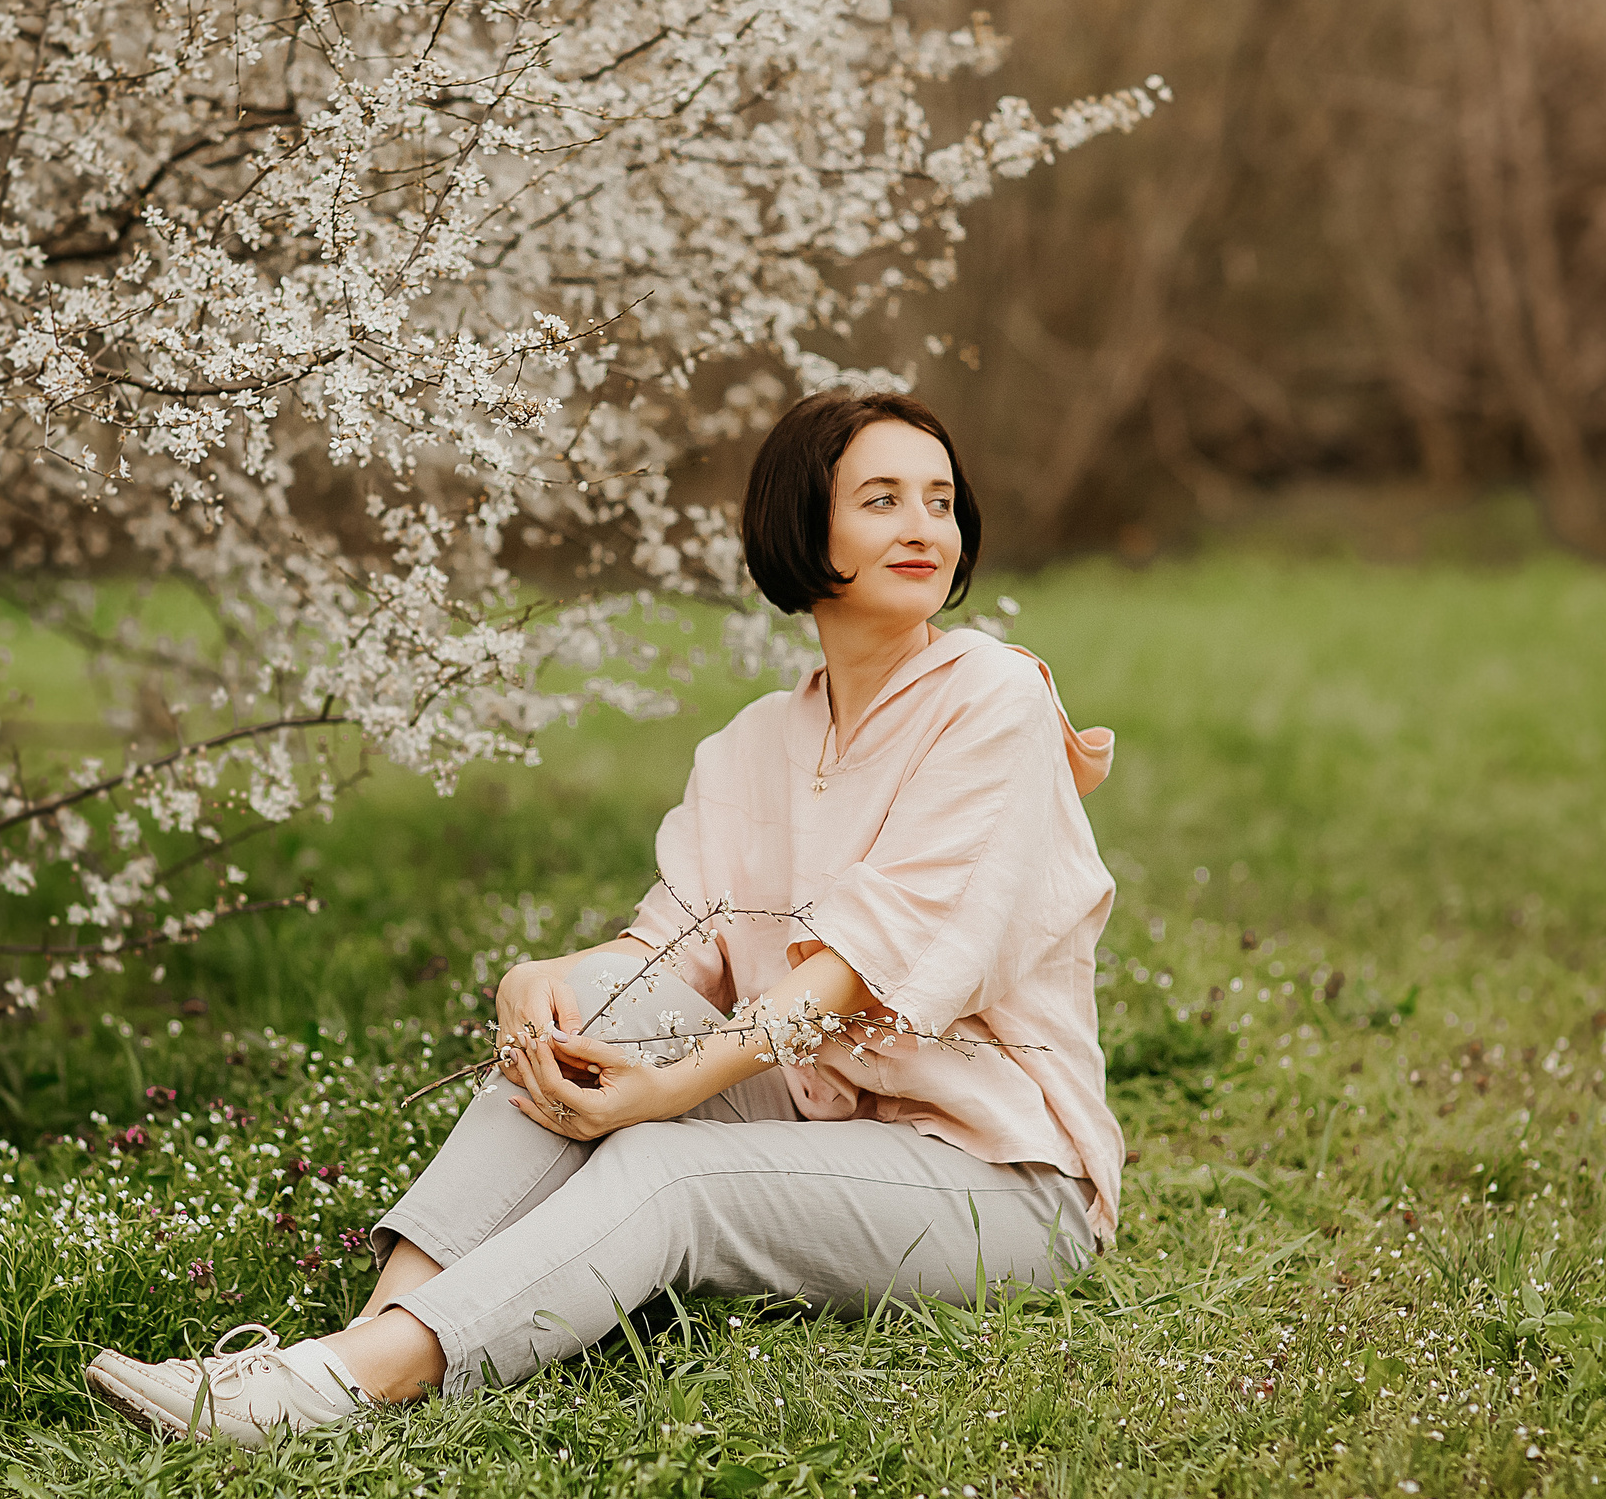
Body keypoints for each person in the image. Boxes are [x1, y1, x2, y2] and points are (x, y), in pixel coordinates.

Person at [86, 389, 1126, 1445]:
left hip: (995, 1180)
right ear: (802, 530)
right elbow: (674, 943)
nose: (922, 527)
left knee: (667, 1168)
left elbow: (861, 962)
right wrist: (557, 974)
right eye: (881, 499)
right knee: (579, 1010)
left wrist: (671, 1088)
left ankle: (352, 1382)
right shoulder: (754, 743)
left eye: (940, 502)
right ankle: (351, 1353)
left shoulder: (989, 695)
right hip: (823, 1123)